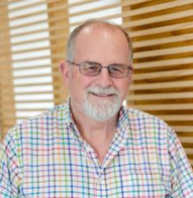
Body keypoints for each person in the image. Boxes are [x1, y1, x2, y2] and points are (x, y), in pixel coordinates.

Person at [0, 19, 193, 198]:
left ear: (130, 76)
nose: (104, 81)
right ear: (67, 74)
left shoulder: (162, 139)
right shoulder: (19, 146)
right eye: (91, 67)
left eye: (116, 68)